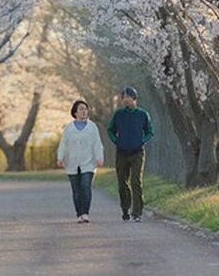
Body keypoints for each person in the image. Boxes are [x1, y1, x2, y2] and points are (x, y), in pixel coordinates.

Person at [107, 86, 154, 222]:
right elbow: (110, 130)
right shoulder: (118, 114)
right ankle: (125, 208)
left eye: (128, 96)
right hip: (121, 152)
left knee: (136, 181)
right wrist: (116, 141)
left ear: (134, 98)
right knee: (122, 182)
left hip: (137, 152)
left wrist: (142, 141)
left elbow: (150, 131)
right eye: (123, 97)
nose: (125, 99)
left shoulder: (142, 114)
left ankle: (137, 212)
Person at [57, 99, 105, 223]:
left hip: (88, 162)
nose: (84, 111)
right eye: (81, 109)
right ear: (75, 113)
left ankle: (85, 213)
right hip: (72, 162)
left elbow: (97, 144)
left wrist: (99, 157)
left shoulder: (92, 127)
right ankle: (79, 213)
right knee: (76, 190)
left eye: (85, 109)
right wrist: (60, 157)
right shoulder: (69, 128)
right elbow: (63, 144)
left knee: (85, 186)